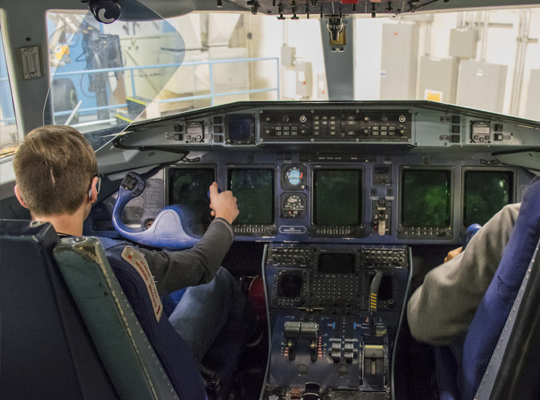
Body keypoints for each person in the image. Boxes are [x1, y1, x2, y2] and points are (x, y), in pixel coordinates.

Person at [12, 125, 257, 379]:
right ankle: (247, 349)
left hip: (72, 378)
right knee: (218, 280)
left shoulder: (10, 265)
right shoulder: (117, 260)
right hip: (150, 379)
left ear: (21, 196)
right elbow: (202, 265)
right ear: (94, 190)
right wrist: (224, 219)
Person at [407, 203, 521, 351]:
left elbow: (424, 321)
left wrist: (455, 265)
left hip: (500, 365)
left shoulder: (516, 220)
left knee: (445, 328)